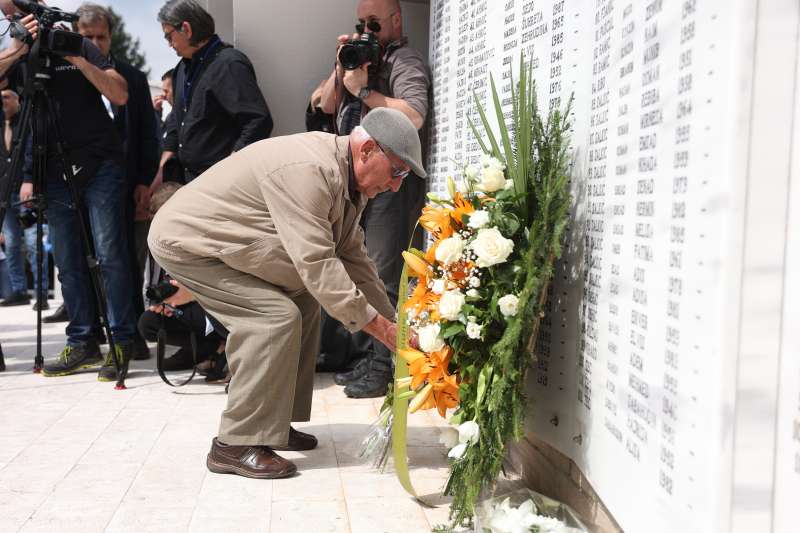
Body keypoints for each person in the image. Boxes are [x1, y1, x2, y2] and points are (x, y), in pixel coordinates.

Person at [148, 107, 424, 479]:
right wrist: (382, 331)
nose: (396, 186)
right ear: (368, 150)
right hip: (185, 242)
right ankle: (234, 443)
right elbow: (317, 263)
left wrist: (396, 324)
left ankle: (271, 424)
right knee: (272, 317)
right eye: (398, 172)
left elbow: (354, 260)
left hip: (219, 238)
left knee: (304, 299)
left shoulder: (346, 180)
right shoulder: (311, 171)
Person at [0, 0, 138, 381]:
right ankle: (82, 342)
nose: (12, 20)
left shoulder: (77, 43)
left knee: (109, 255)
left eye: (15, 12)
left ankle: (122, 340)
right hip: (54, 171)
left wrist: (75, 56)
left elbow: (120, 94)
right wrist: (17, 52)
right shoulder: (20, 52)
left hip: (100, 163)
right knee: (67, 262)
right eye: (7, 16)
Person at [313, 0, 431, 398]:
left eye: (374, 24)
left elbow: (414, 115)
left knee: (381, 274)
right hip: (355, 181)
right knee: (358, 271)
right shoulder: (355, 62)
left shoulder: (403, 61)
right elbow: (324, 104)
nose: (367, 31)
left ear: (396, 21)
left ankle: (385, 367)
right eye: (360, 23)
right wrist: (341, 69)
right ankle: (370, 355)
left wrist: (365, 91)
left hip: (388, 183)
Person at [75, 3, 161, 361]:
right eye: (88, 37)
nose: (95, 43)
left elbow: (147, 134)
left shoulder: (132, 78)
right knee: (80, 259)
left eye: (101, 37)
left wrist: (143, 180)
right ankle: (92, 332)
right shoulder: (67, 75)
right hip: (76, 176)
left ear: (111, 37)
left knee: (121, 257)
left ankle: (130, 334)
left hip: (122, 179)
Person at [152, 0, 272, 185]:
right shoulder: (180, 70)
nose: (169, 44)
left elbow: (258, 121)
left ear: (186, 29)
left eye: (169, 36)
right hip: (189, 182)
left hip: (222, 185)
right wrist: (163, 166)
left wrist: (230, 170)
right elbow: (177, 120)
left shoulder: (228, 63)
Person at [138, 181, 228, 382]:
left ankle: (227, 349)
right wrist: (163, 303)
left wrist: (193, 293)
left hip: (216, 301)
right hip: (188, 305)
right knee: (148, 322)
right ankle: (206, 349)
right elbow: (154, 285)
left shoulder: (205, 232)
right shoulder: (159, 240)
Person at [0, 89, 49, 310]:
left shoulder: (27, 121)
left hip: (25, 191)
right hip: (4, 192)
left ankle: (41, 294)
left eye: (6, 97)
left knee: (32, 243)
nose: (2, 101)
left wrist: (30, 181)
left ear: (17, 99)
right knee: (11, 243)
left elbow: (33, 153)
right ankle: (18, 290)